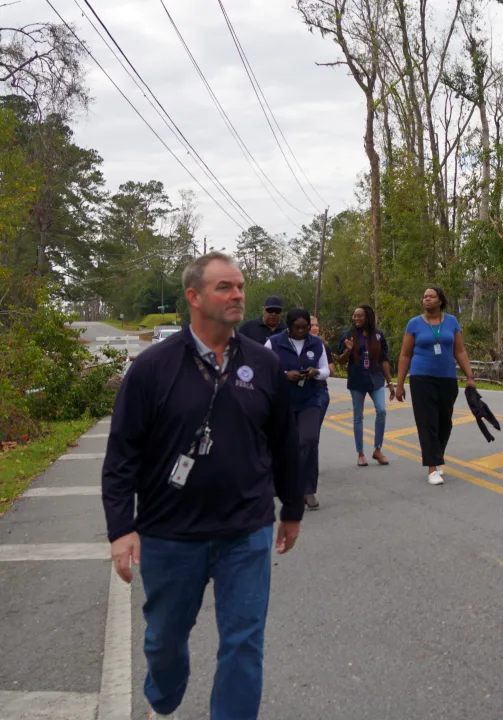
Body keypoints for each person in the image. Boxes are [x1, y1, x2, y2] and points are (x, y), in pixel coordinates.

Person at [102, 252, 302, 720]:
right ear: (194, 296)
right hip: (170, 533)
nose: (237, 296)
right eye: (224, 288)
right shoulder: (152, 369)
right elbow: (122, 454)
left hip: (245, 529)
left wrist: (290, 507)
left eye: (240, 286)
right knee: (165, 639)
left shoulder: (263, 365)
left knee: (244, 642)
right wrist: (120, 528)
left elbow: (285, 443)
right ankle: (163, 701)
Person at [395, 287, 477, 485]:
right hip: (421, 377)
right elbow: (405, 355)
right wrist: (399, 384)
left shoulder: (452, 322)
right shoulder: (414, 324)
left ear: (440, 300)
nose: (426, 299)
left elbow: (460, 351)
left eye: (431, 296)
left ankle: (436, 456)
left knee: (444, 421)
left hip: (447, 378)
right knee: (427, 421)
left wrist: (470, 376)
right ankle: (432, 467)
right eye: (424, 296)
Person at [266, 308, 330, 511]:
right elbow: (263, 368)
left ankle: (308, 489)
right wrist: (284, 375)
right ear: (289, 325)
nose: (302, 331)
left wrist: (316, 372)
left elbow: (326, 370)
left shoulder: (316, 343)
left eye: (306, 327)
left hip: (309, 400)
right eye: (297, 327)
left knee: (309, 440)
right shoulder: (274, 342)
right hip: (282, 401)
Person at [334, 305, 393, 467]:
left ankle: (377, 449)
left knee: (382, 410)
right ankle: (360, 453)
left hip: (376, 379)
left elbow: (384, 360)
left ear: (367, 317)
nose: (356, 319)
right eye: (354, 316)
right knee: (358, 416)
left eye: (359, 316)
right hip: (357, 380)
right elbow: (340, 360)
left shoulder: (379, 335)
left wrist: (390, 383)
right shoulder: (348, 335)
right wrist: (348, 351)